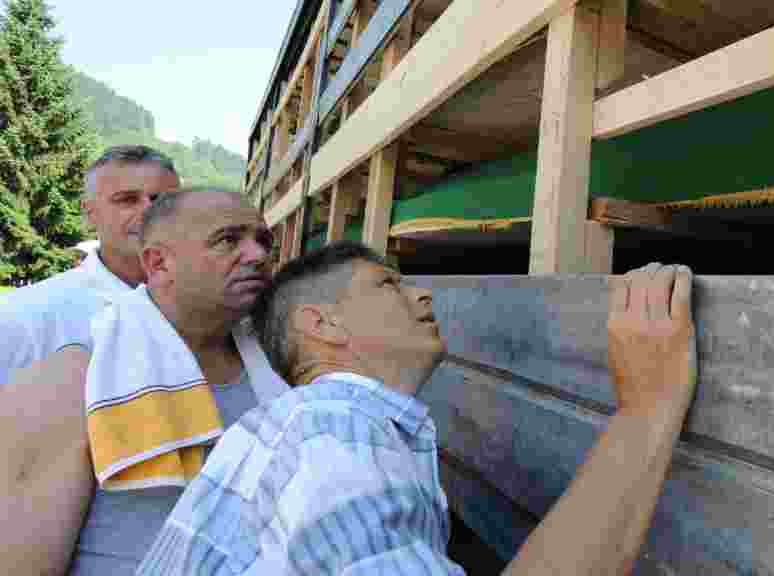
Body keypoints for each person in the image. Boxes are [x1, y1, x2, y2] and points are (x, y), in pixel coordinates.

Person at [136, 240, 698, 575]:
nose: (422, 295)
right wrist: (646, 408)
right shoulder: (334, 434)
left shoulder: (301, 427)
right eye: (389, 286)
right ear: (322, 324)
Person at [0, 188, 289, 575]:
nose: (258, 256)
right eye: (228, 240)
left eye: (263, 241)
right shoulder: (72, 382)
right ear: (158, 263)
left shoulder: (280, 370)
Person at [0, 144, 180, 386]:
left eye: (161, 200)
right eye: (127, 199)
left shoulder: (216, 306)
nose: (149, 210)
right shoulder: (23, 316)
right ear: (89, 212)